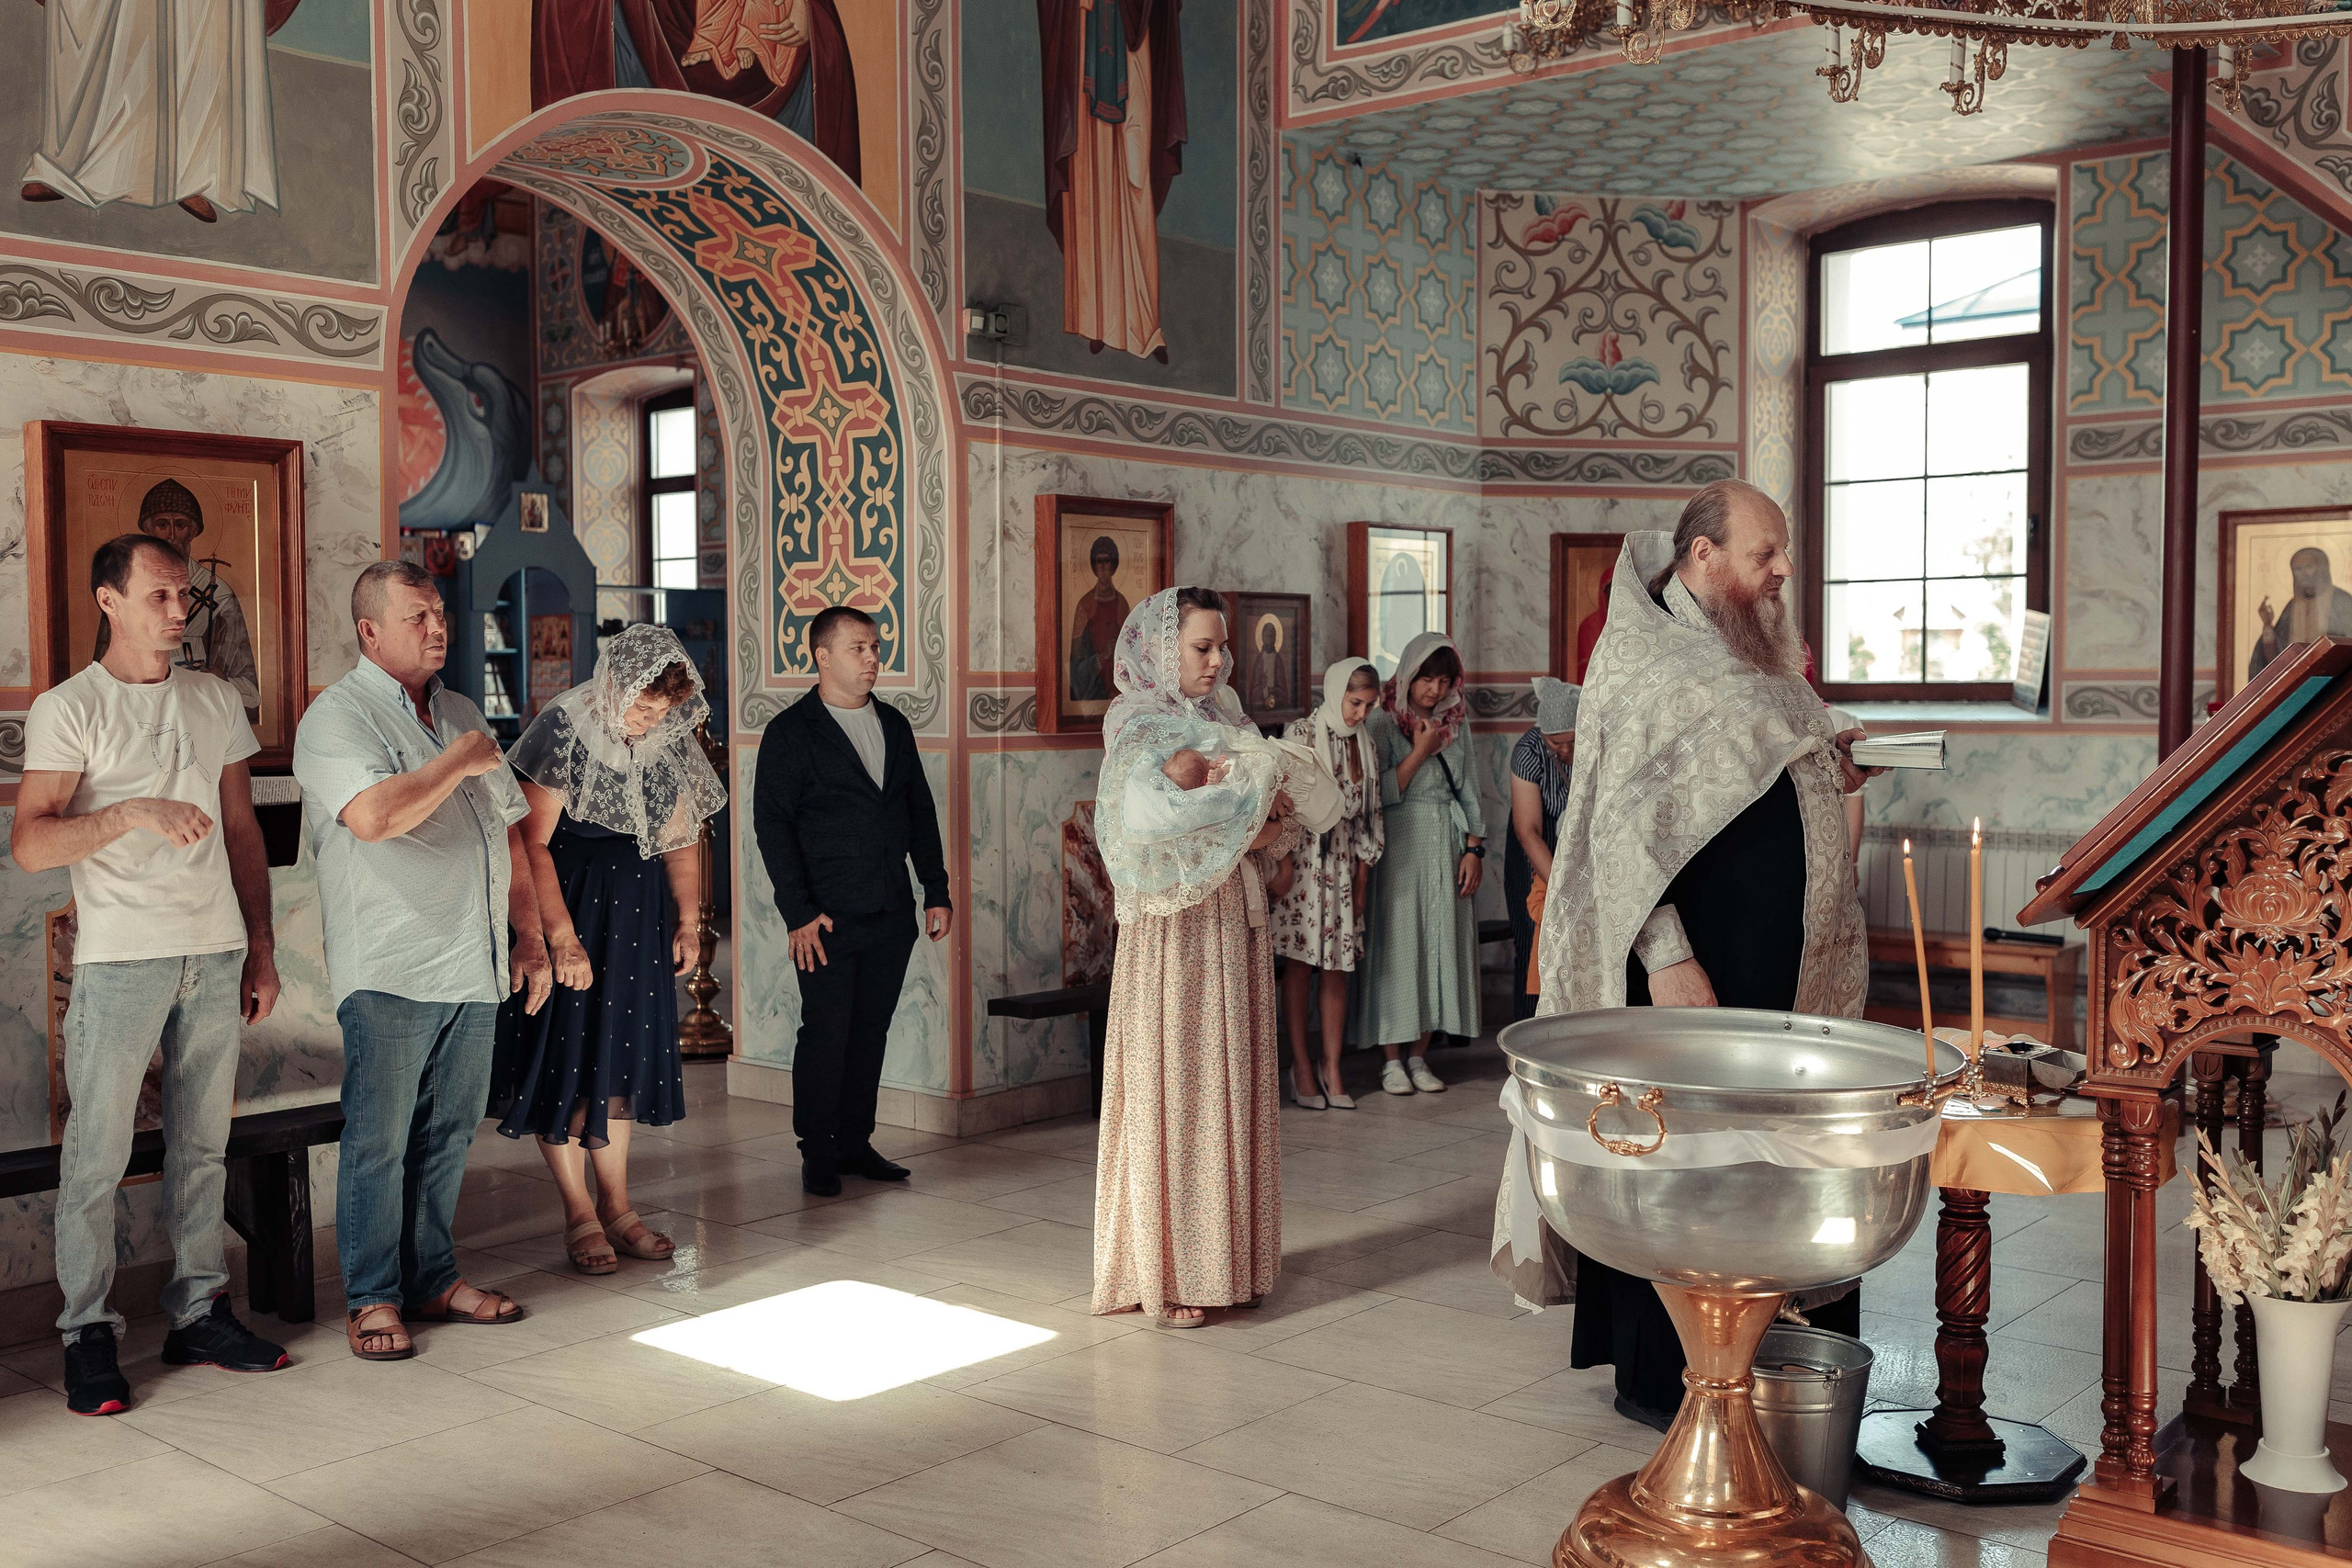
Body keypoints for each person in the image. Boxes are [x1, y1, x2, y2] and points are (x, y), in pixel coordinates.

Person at [1501, 479, 1880, 1431]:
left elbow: (1757, 770)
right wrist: (1664, 952)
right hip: (1694, 970)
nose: (1782, 571)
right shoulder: (1640, 665)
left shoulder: (1754, 653)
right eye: (1765, 554)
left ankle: (1776, 1357)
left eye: (1783, 552)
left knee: (1771, 1159)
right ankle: (1667, 1372)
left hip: (1781, 965)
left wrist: (1832, 762)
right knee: (1693, 1165)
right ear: (1702, 557)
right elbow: (1610, 838)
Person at [14, 533, 289, 1415]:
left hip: (213, 954)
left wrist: (261, 946)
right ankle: (87, 1331)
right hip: (120, 960)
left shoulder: (214, 699)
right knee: (95, 1155)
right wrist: (129, 810)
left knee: (203, 1146)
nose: (179, 613)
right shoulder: (70, 708)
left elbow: (243, 831)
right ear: (109, 600)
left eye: (185, 599)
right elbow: (29, 843)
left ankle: (199, 1311)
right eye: (161, 597)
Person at [295, 560, 554, 1363]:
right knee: (380, 1139)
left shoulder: (461, 709)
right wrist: (459, 761)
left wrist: (533, 935)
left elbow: (508, 831)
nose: (438, 627)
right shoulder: (334, 718)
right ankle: (371, 1295)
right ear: (370, 630)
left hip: (472, 960)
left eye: (440, 613)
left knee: (446, 1132)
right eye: (418, 616)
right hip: (392, 961)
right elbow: (373, 817)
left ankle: (433, 1277)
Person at [490, 624, 728, 1274]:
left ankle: (619, 1207)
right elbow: (531, 843)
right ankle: (579, 1213)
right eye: (644, 706)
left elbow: (680, 838)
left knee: (618, 1062)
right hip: (575, 912)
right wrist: (558, 939)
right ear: (615, 683)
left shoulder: (664, 739)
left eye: (665, 710)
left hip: (636, 921)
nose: (653, 719)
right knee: (567, 1061)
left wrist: (686, 920)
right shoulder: (563, 729)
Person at [1091, 587, 1299, 1325]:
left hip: (1232, 915)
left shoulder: (1225, 717)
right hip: (1176, 927)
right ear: (1159, 651)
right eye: (1200, 648)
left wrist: (1257, 807)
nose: (1217, 661)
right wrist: (1248, 804)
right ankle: (1169, 1268)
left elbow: (1274, 813)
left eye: (1221, 647)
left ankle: (1226, 1261)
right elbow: (1148, 822)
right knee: (1177, 1082)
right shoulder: (1137, 723)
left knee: (1227, 1077)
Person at [753, 605, 952, 1198]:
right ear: (822, 656)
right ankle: (817, 1151)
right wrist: (799, 914)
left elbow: (919, 810)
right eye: (859, 648)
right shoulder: (790, 733)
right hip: (825, 918)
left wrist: (934, 889)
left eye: (875, 647)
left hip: (891, 910)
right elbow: (772, 828)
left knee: (871, 1032)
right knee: (826, 1033)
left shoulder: (893, 724)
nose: (873, 659)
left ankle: (855, 1142)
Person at [1351, 632, 1483, 1095]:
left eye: (1443, 680)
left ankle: (1420, 1055)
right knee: (1398, 943)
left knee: (1438, 942)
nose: (1433, 689)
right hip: (1398, 842)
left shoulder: (1456, 721)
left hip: (1446, 840)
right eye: (1426, 678)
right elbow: (1379, 793)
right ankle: (1391, 1058)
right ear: (1408, 673)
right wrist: (1421, 752)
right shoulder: (1384, 723)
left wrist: (1474, 848)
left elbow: (1469, 787)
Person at [1274, 660, 1384, 1110]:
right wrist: (1280, 868)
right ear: (1336, 691)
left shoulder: (1365, 745)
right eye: (1355, 702)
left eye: (1368, 706)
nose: (1360, 713)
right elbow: (1278, 804)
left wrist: (1361, 884)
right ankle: (1300, 1065)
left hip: (1340, 868)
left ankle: (1332, 1066)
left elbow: (1369, 818)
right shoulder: (1300, 736)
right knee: (1300, 966)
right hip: (1302, 867)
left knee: (1338, 968)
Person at [1505, 677, 1577, 1022]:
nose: (1563, 751)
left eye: (1570, 742)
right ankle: (1526, 1040)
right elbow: (1528, 831)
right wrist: (1562, 886)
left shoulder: (1596, 742)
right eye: (1555, 743)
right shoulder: (1529, 751)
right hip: (1535, 845)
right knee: (1531, 942)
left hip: (1577, 843)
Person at [2249, 547, 2352, 682]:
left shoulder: (2343, 601)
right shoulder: (2292, 606)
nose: (2303, 574)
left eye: (2309, 567)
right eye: (2298, 569)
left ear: (2322, 569)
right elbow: (2278, 656)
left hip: (2336, 681)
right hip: (2297, 683)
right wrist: (2268, 625)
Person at [1069, 536, 1129, 702]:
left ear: (1113, 565)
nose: (1103, 567)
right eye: (1099, 561)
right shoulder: (1085, 605)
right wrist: (1101, 657)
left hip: (1119, 687)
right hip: (1094, 689)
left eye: (1107, 561)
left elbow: (1132, 647)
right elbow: (1075, 663)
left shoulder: (1122, 604)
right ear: (1094, 566)